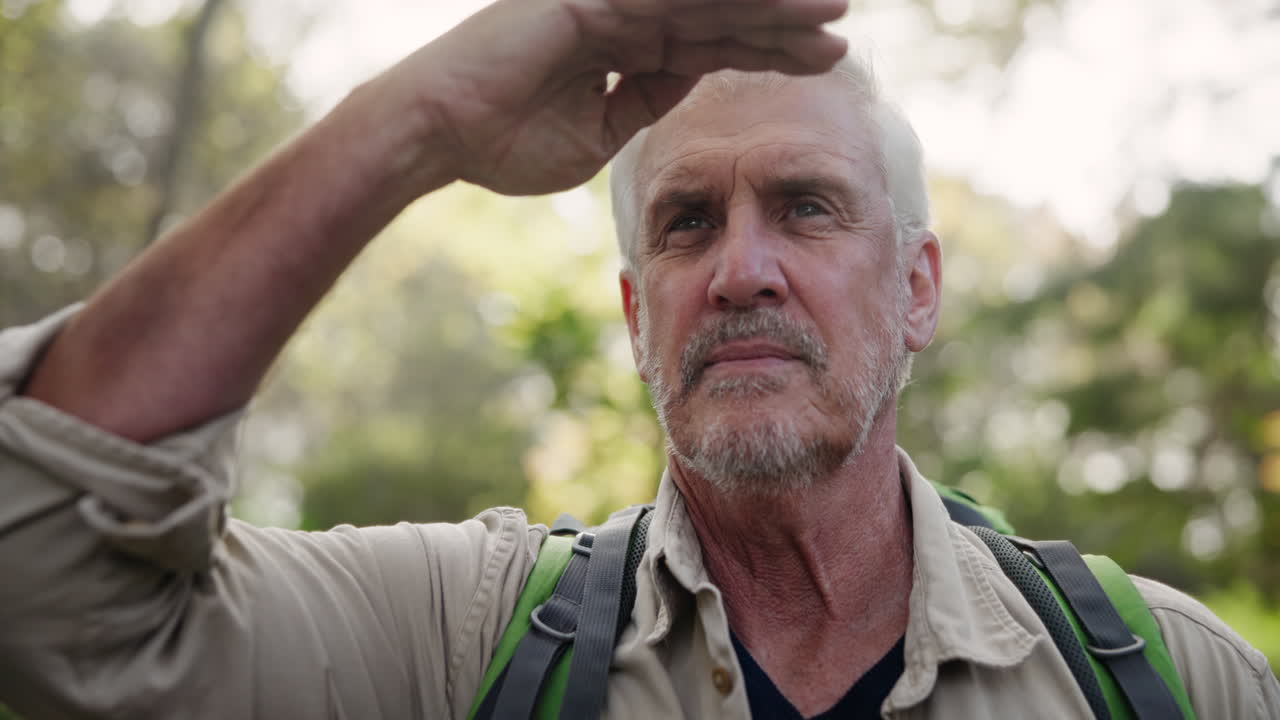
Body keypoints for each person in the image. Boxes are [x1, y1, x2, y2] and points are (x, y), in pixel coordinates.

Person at [0, 0, 1275, 717]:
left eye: (807, 206)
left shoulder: (1163, 680)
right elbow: (49, 580)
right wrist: (422, 123)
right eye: (685, 222)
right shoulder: (467, 643)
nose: (739, 270)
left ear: (918, 290)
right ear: (632, 313)